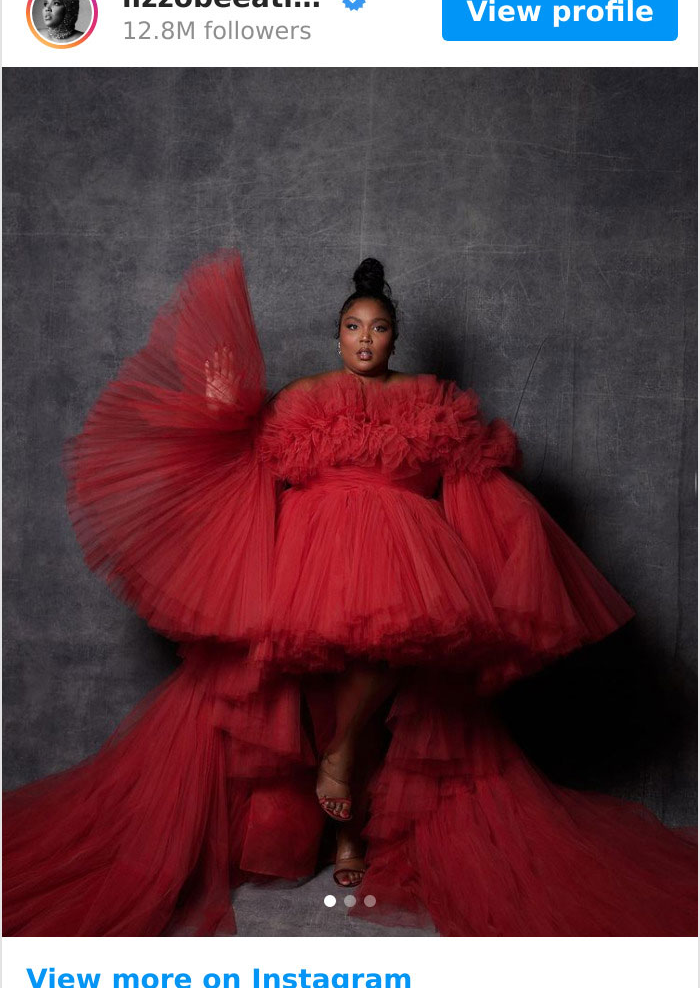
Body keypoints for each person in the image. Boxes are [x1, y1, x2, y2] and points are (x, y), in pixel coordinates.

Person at [3, 253, 696, 936]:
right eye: (353, 327)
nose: (365, 339)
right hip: (315, 556)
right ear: (338, 336)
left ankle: (339, 773)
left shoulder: (428, 397)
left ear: (395, 336)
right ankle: (342, 837)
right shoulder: (304, 398)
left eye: (379, 328)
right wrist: (220, 409)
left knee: (388, 663)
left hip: (406, 553)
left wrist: (515, 541)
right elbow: (252, 460)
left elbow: (473, 472)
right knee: (328, 689)